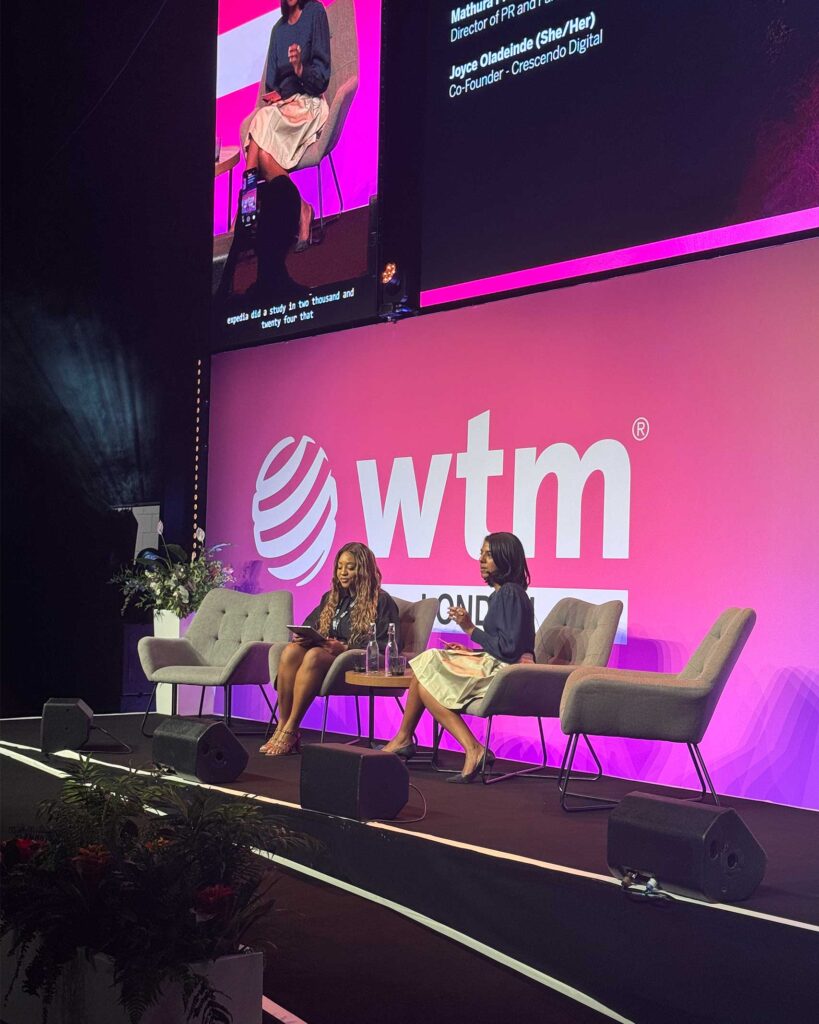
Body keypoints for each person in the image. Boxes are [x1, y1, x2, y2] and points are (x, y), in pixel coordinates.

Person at [382, 532, 535, 783]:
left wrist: (471, 630)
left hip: (508, 675)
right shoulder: (504, 594)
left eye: (488, 554)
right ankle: (413, 739)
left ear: (505, 558)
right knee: (424, 676)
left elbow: (509, 650)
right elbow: (506, 645)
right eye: (481, 554)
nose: (481, 560)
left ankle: (429, 742)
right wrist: (472, 652)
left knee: (429, 661)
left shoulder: (509, 593)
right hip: (499, 666)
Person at [262, 542, 400, 756]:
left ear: (363, 569)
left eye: (351, 567)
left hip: (355, 662)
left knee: (315, 655)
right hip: (325, 656)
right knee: (290, 651)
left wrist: (345, 646)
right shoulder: (332, 598)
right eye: (340, 567)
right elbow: (311, 624)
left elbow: (387, 644)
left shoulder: (380, 601)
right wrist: (305, 637)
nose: (343, 572)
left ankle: (292, 728)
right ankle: (282, 724)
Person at [245, 0, 331, 251]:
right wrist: (275, 95)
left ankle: (245, 214)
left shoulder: (315, 13)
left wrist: (300, 68)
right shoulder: (278, 30)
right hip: (284, 107)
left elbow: (322, 78)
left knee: (260, 123)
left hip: (309, 103)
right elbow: (272, 83)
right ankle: (302, 208)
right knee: (261, 151)